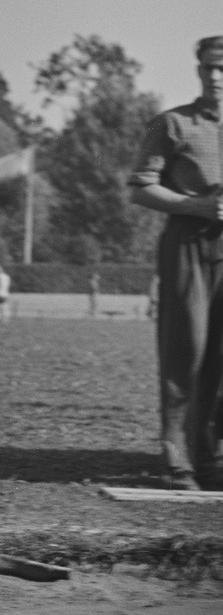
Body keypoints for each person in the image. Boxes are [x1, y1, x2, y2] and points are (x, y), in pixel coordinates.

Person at [129, 35, 223, 492]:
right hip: (189, 244)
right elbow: (141, 187)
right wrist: (195, 205)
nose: (217, 77)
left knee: (222, 358)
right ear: (199, 71)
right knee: (188, 349)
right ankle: (176, 458)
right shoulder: (174, 124)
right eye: (209, 68)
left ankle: (208, 457)